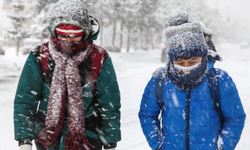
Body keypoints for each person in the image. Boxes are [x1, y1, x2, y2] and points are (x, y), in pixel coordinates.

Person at [13, 0, 121, 150]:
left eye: (75, 35)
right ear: (55, 32)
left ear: (85, 32)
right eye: (64, 34)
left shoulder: (99, 57)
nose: (69, 40)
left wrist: (110, 141)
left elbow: (109, 105)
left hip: (87, 140)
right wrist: (24, 139)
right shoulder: (40, 55)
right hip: (47, 141)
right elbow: (25, 101)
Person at [138, 10, 246, 150]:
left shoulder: (219, 80)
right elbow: (147, 115)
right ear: (170, 60)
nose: (187, 67)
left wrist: (223, 146)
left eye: (193, 61)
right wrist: (158, 144)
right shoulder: (160, 80)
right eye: (180, 63)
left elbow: (235, 117)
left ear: (203, 54)